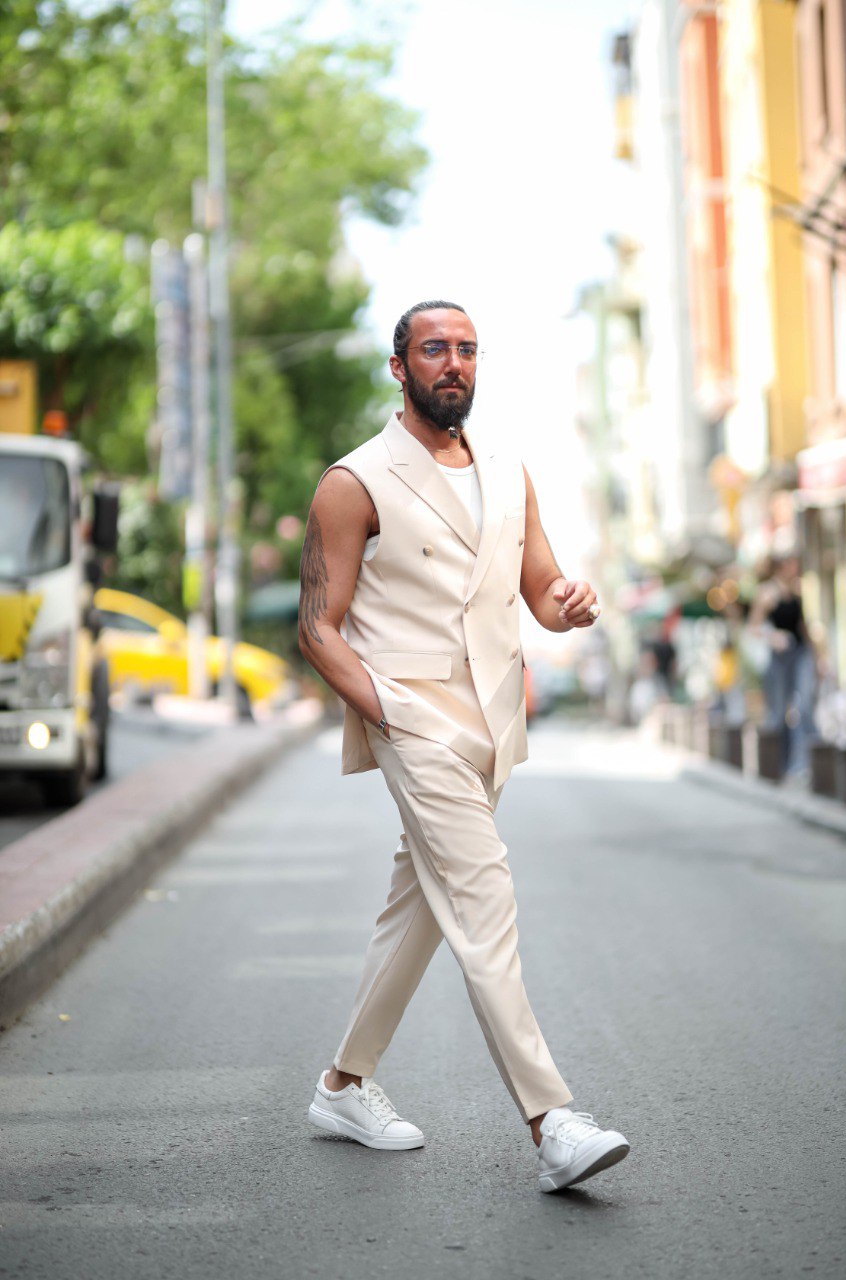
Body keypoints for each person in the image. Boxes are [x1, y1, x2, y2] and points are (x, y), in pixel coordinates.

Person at [298, 300, 629, 1193]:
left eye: (467, 351)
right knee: (483, 896)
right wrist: (388, 714)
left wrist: (571, 603)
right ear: (398, 367)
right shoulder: (353, 481)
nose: (454, 364)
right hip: (411, 716)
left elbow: (542, 593)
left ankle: (342, 1084)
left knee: (422, 904)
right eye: (434, 350)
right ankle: (550, 1119)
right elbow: (317, 628)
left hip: (491, 720)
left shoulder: (510, 472)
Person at [749, 555, 816, 778]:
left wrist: (818, 655)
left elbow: (802, 624)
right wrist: (773, 636)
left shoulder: (797, 590)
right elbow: (754, 627)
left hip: (800, 653)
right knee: (779, 713)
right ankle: (782, 765)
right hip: (780, 658)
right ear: (782, 567)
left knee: (805, 706)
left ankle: (809, 763)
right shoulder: (768, 592)